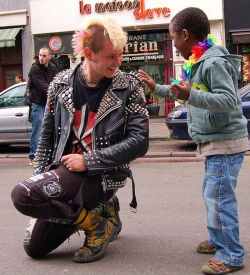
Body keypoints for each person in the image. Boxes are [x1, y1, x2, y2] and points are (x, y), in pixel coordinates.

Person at [11, 18, 149, 264]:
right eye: (110, 56)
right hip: (63, 174)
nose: (118, 63)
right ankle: (97, 216)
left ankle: (100, 218)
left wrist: (89, 160)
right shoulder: (60, 84)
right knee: (34, 246)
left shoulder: (130, 86)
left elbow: (140, 141)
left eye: (120, 55)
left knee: (21, 195)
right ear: (88, 53)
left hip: (103, 175)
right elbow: (46, 139)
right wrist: (40, 184)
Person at [139, 7, 249, 275]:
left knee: (219, 198)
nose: (174, 45)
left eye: (173, 38)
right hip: (215, 141)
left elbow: (229, 101)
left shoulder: (213, 63)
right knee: (212, 195)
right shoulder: (200, 61)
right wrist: (157, 88)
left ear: (185, 35)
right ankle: (218, 240)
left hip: (224, 142)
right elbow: (184, 91)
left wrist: (190, 95)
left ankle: (232, 254)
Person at [27, 47, 58, 165]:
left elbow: (56, 81)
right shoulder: (35, 68)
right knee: (38, 128)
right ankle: (33, 156)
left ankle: (49, 155)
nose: (41, 58)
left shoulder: (52, 68)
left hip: (48, 102)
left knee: (51, 129)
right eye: (40, 55)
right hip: (38, 103)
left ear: (49, 57)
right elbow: (43, 86)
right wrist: (55, 92)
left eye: (44, 56)